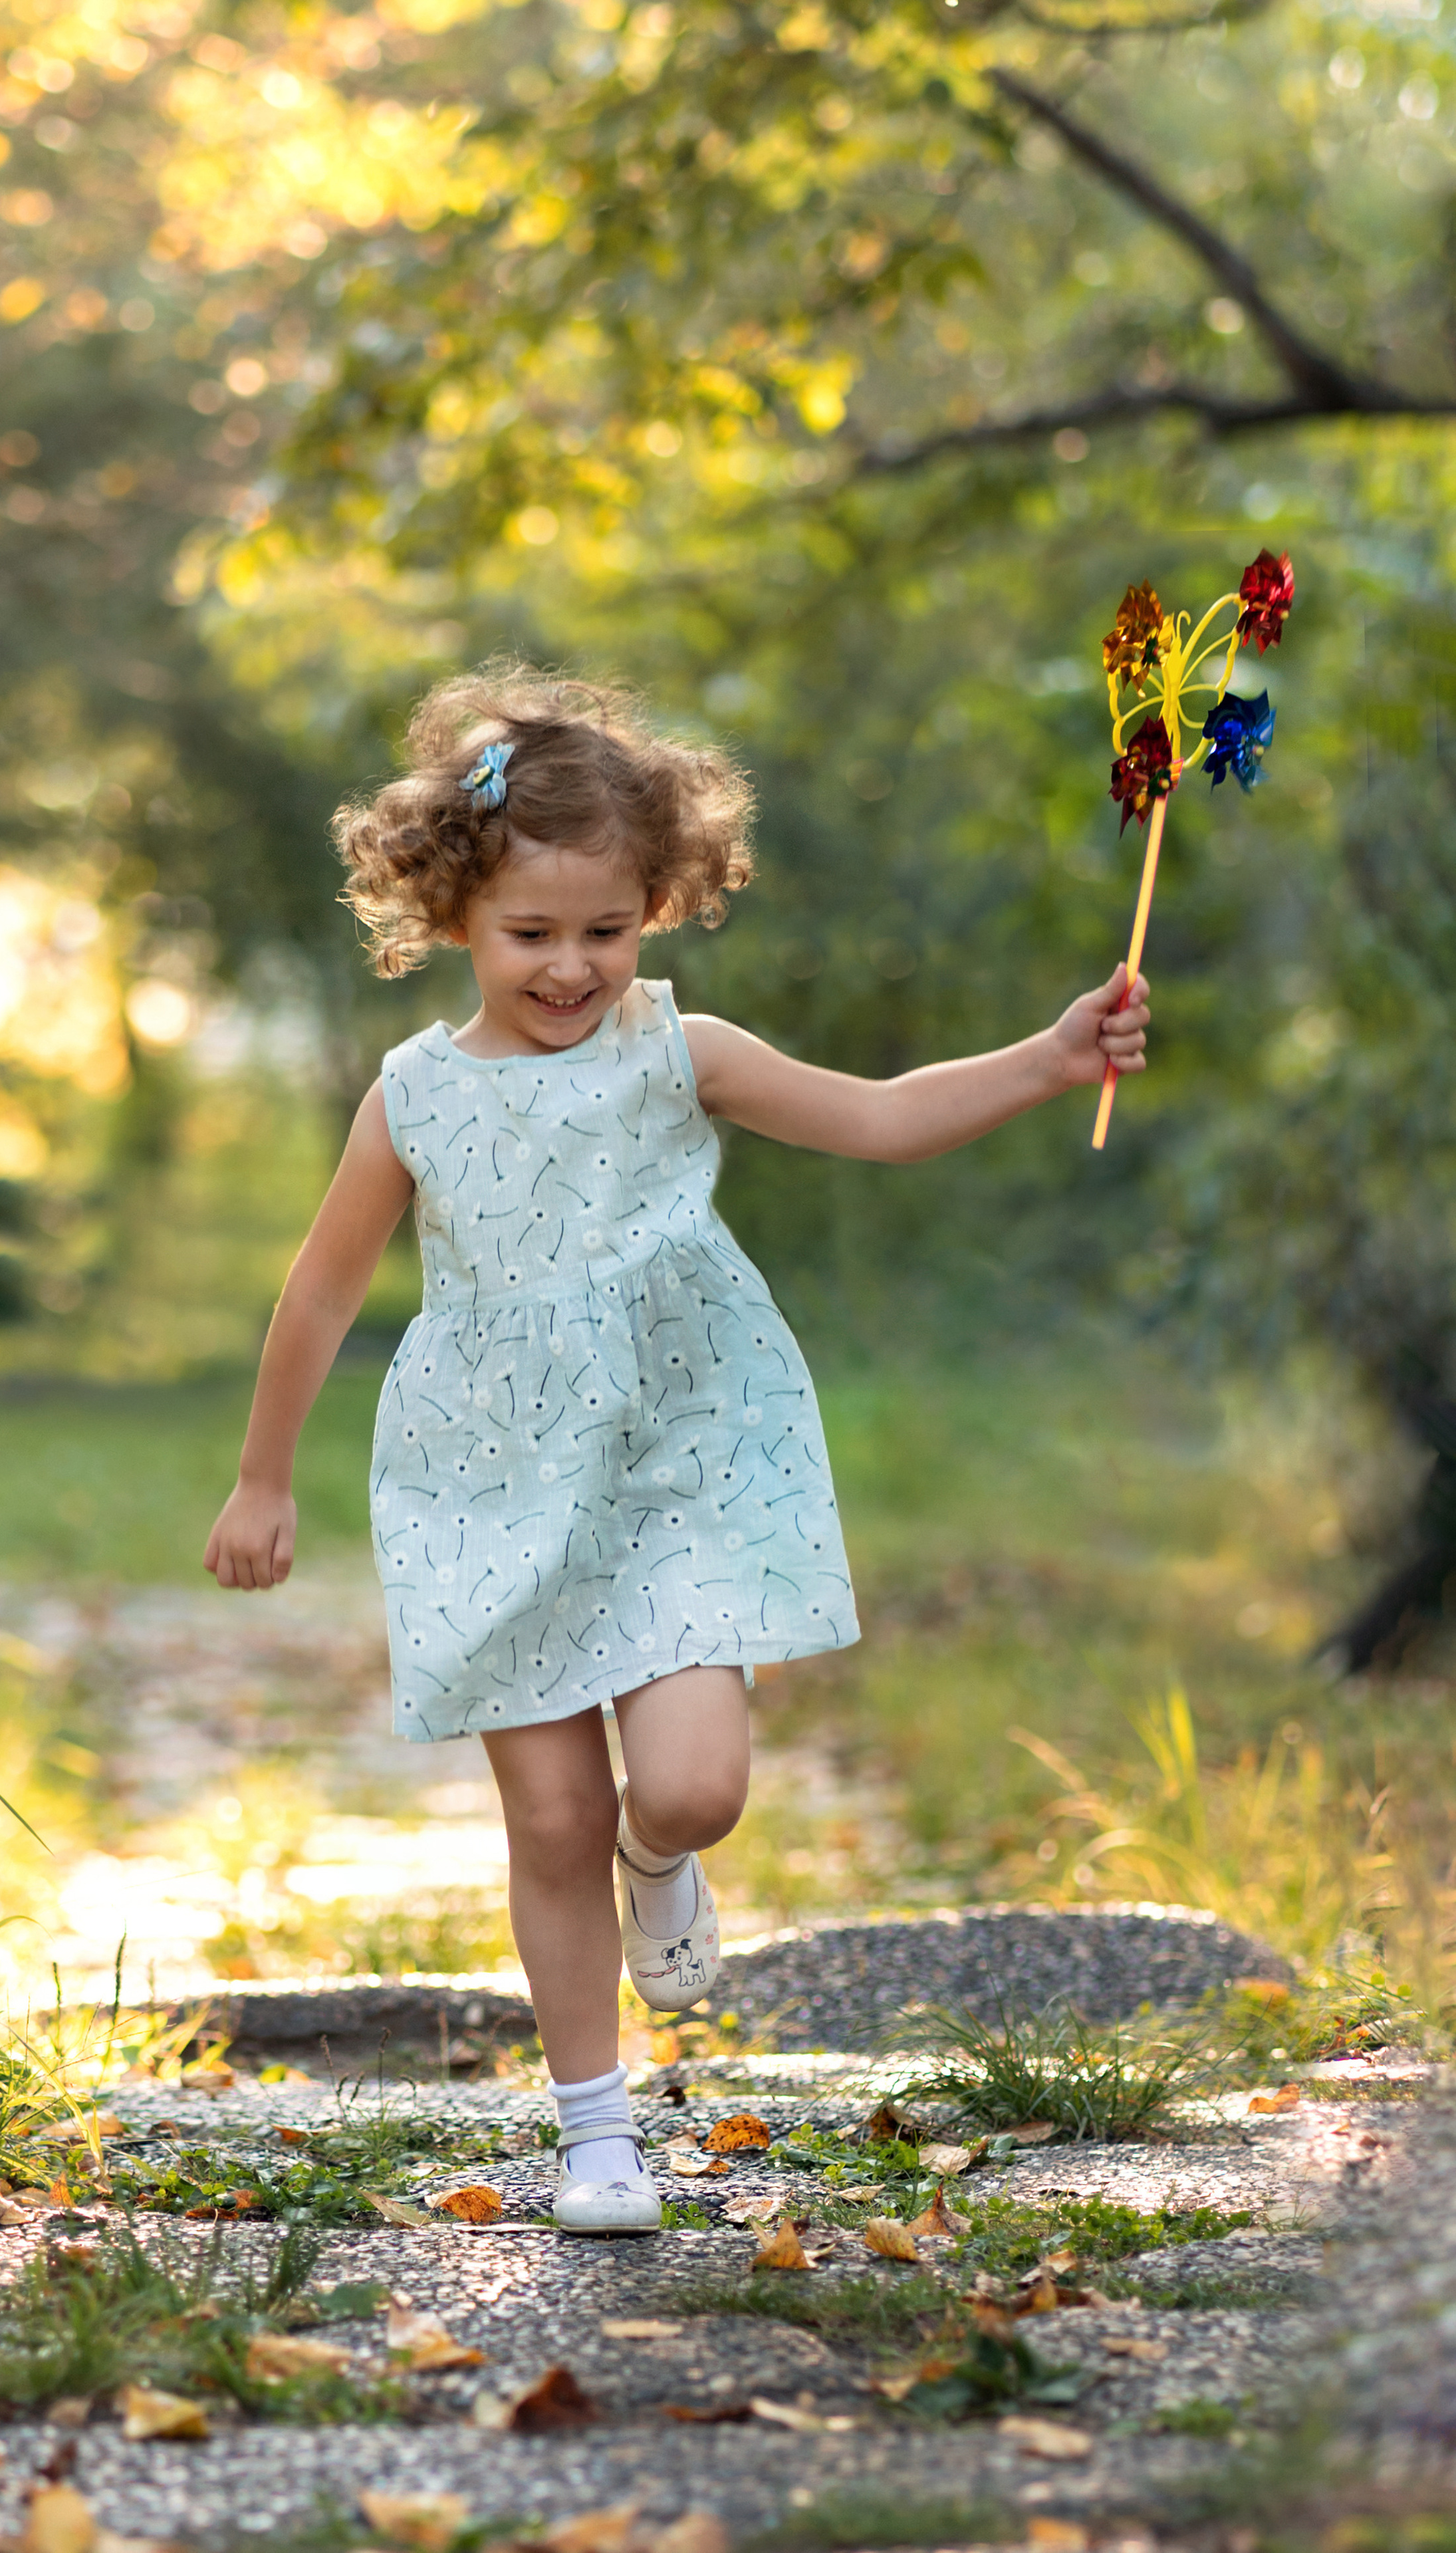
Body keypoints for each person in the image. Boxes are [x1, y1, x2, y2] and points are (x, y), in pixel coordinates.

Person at [204, 668, 1151, 2235]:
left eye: (606, 930)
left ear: (656, 907)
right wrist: (261, 1475)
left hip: (678, 1457)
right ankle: (593, 2134)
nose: (571, 967)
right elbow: (318, 1292)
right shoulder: (415, 1101)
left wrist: (1047, 1060)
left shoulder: (677, 1052)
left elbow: (879, 1115)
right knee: (549, 1816)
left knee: (692, 1787)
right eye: (531, 935)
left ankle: (666, 1863)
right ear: (451, 915)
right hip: (490, 1477)